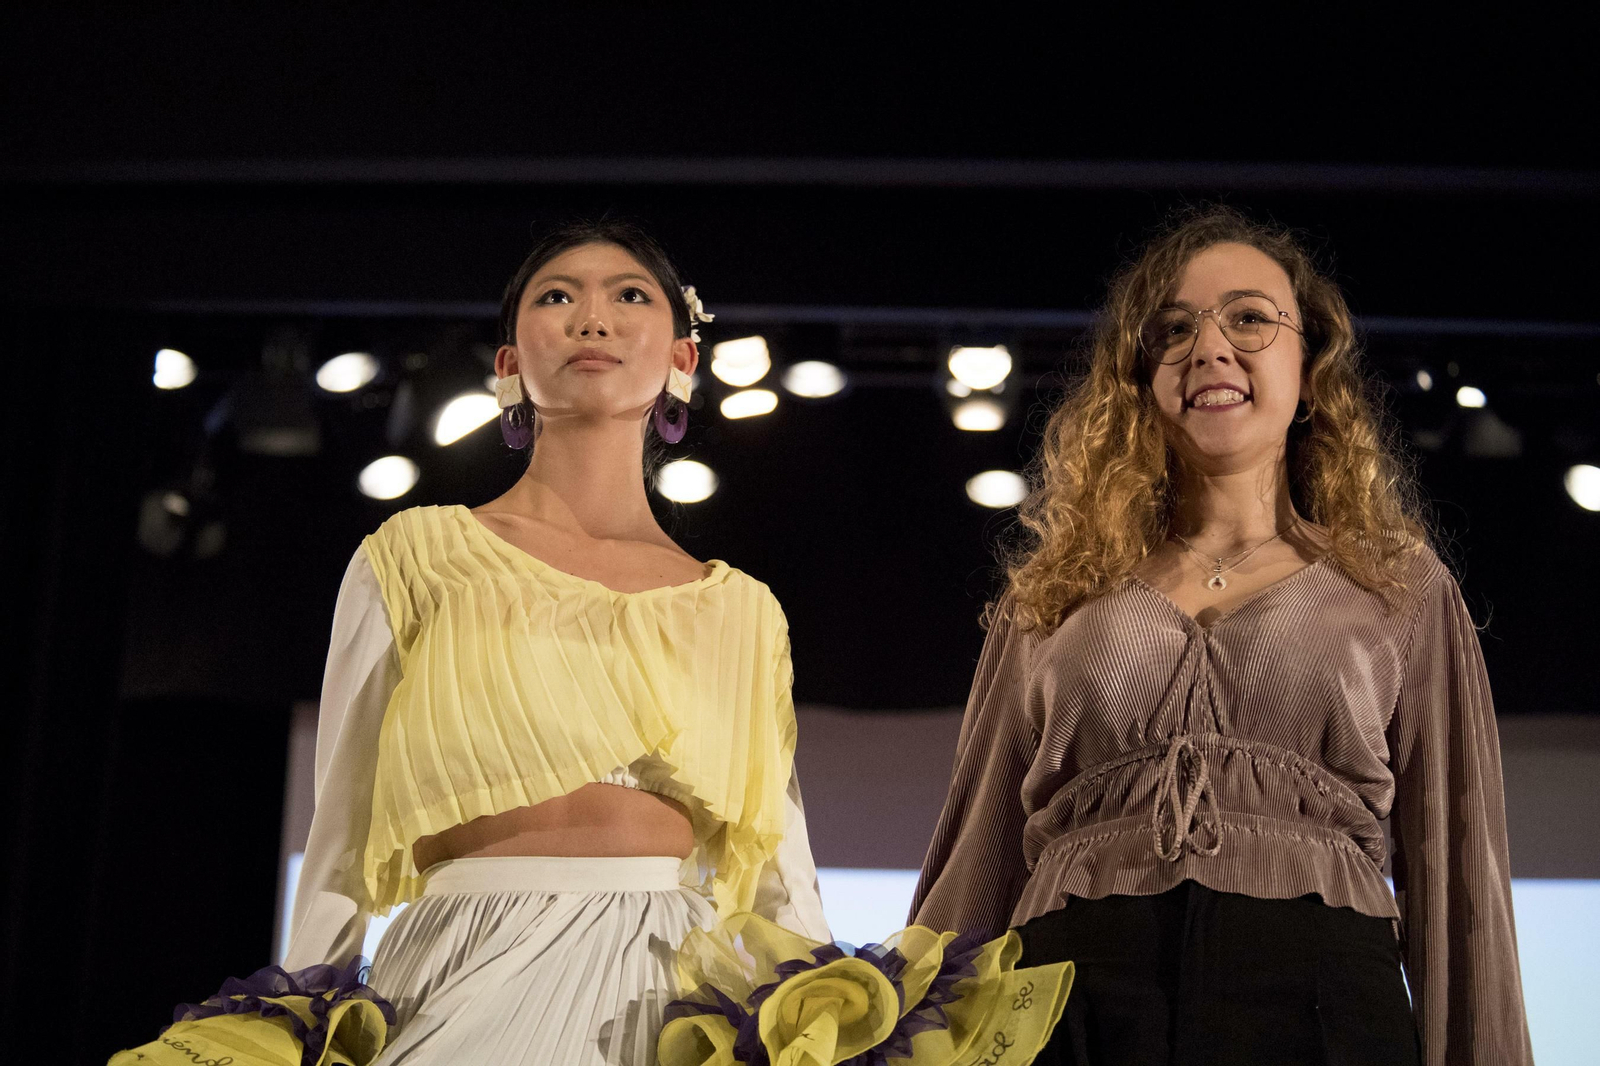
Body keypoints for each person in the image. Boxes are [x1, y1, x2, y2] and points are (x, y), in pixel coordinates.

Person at [910, 207, 1531, 1065]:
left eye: (1248, 318)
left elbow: (1459, 876)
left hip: (1321, 1010)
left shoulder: (1397, 586)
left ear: (1310, 369)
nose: (1207, 347)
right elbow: (974, 860)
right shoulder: (1054, 594)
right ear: (1139, 379)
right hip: (1073, 1010)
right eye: (1173, 329)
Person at [283, 219, 829, 1065]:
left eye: (629, 295)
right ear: (508, 364)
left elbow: (775, 867)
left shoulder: (742, 609)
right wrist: (296, 1018)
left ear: (684, 359)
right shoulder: (416, 558)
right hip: (462, 963)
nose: (593, 318)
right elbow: (340, 832)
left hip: (667, 989)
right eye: (557, 296)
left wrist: (824, 1017)